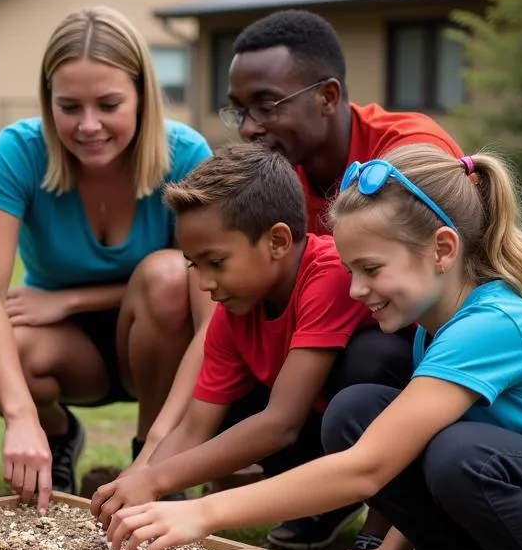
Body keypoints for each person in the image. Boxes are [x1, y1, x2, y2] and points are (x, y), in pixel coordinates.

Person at [103, 144, 522, 550]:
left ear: (443, 249)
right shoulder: (436, 330)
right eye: (351, 270)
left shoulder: (491, 325)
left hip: (506, 470)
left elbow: (372, 467)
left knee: (455, 450)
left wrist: (202, 511)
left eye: (370, 269)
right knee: (356, 412)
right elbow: (408, 450)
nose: (356, 289)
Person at [219, 9, 463, 550]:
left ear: (327, 96)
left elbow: (447, 302)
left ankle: (395, 521)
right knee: (248, 343)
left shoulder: (406, 155)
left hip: (418, 354)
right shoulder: (280, 176)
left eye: (267, 103)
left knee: (371, 356)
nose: (250, 125)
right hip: (330, 340)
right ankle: (324, 500)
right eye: (239, 109)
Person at [0, 6, 214, 508]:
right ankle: (57, 435)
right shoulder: (18, 152)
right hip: (67, 349)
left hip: (161, 336)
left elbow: (214, 314)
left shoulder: (187, 156)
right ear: (47, 101)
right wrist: (21, 417)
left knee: (169, 275)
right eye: (69, 107)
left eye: (108, 104)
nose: (88, 125)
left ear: (142, 96)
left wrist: (72, 299)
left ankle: (153, 458)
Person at [91, 143, 373, 521]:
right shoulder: (234, 308)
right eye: (195, 265)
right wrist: (137, 480)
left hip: (371, 426)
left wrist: (156, 480)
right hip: (315, 433)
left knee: (372, 358)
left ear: (277, 241)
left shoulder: (329, 274)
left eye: (217, 262)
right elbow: (194, 427)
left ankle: (392, 527)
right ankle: (320, 511)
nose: (205, 283)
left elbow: (281, 423)